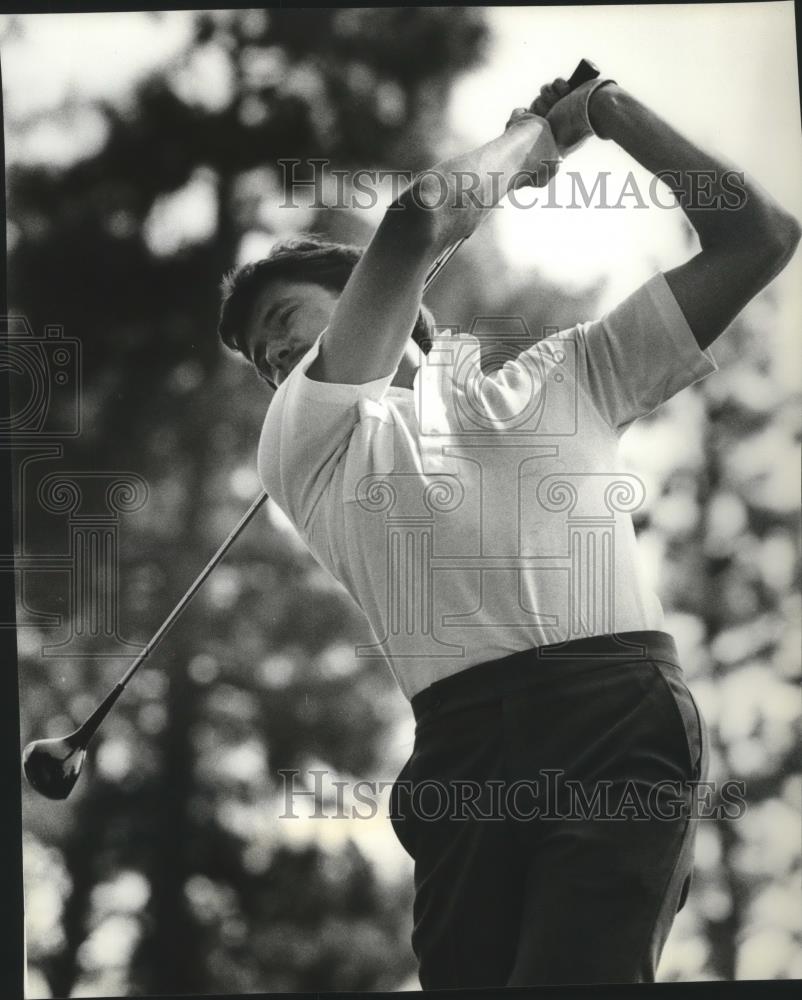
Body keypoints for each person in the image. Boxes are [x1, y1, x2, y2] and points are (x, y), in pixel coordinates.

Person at [217, 72, 800, 987]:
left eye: (286, 322)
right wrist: (540, 134)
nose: (277, 357)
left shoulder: (570, 375)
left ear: (381, 296)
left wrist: (609, 111)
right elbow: (419, 220)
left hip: (618, 715)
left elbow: (759, 236)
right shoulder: (304, 438)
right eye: (263, 359)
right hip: (462, 750)